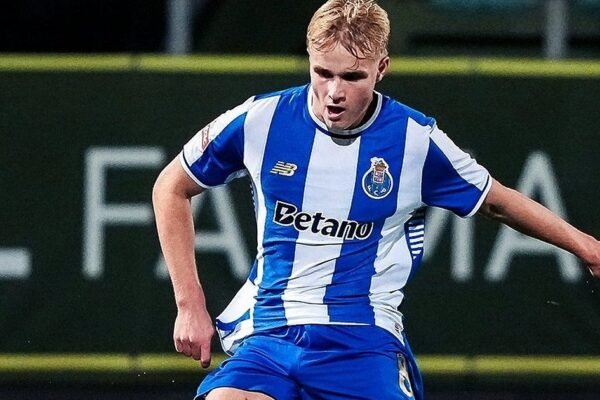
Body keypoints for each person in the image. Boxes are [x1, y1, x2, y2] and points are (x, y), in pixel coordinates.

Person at [152, 1, 600, 399]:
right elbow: (170, 186)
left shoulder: (414, 140)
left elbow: (497, 200)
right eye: (323, 73)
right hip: (269, 332)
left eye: (352, 77)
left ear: (381, 68)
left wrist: (588, 248)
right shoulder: (260, 120)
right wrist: (190, 305)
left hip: (362, 338)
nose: (334, 93)